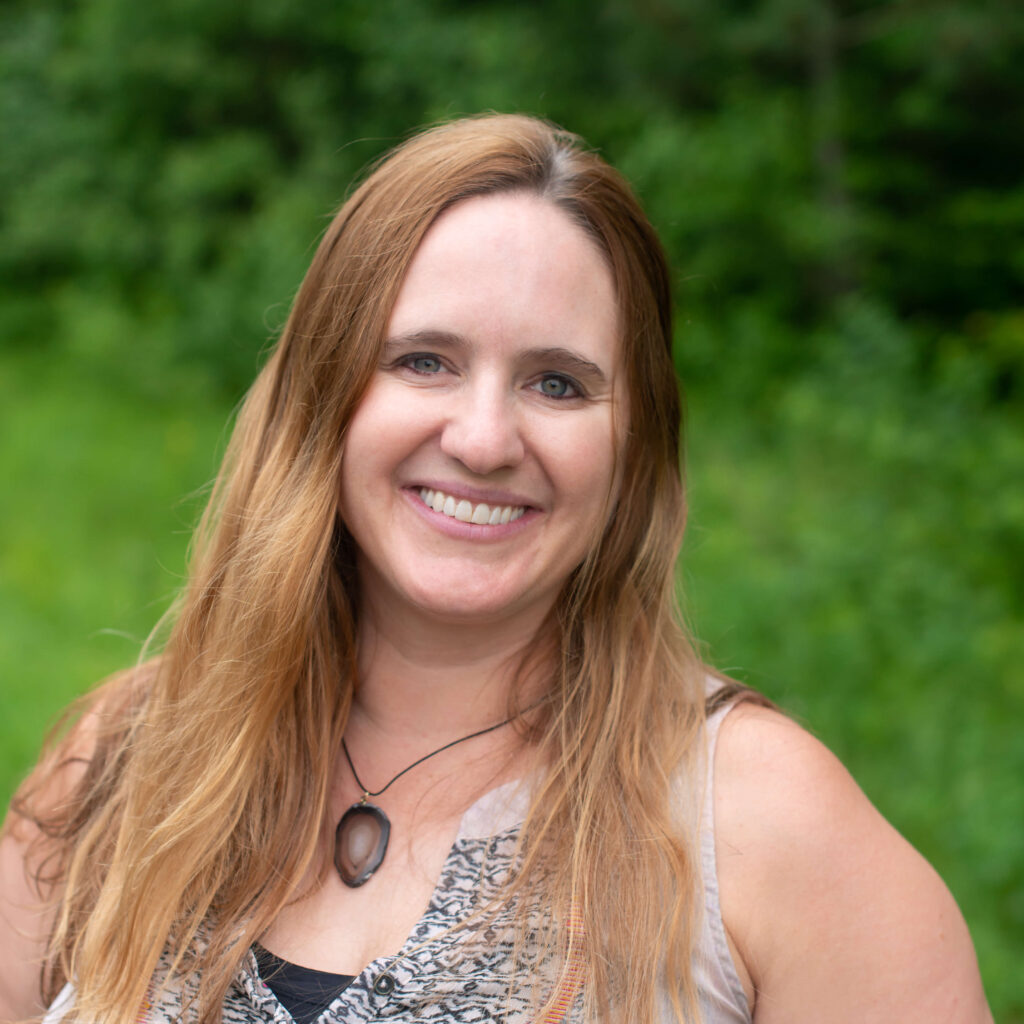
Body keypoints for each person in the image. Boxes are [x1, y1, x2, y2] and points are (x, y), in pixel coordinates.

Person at [0, 114, 992, 1024]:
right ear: (322, 398)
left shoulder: (758, 827)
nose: (481, 440)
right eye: (423, 360)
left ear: (632, 447)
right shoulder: (131, 759)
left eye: (557, 383)